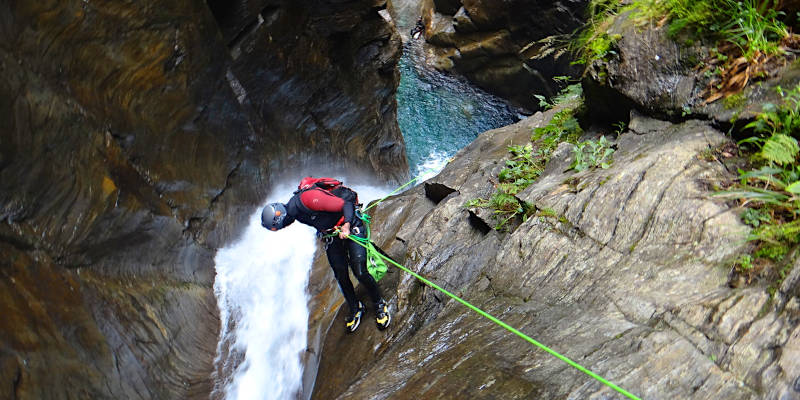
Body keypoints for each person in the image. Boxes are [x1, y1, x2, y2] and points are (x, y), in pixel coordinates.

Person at [261, 177, 391, 333]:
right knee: (340, 274)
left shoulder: (308, 199)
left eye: (278, 227)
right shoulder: (293, 213)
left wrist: (347, 226)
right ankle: (356, 307)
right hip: (331, 234)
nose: (282, 228)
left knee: (360, 270)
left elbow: (346, 205)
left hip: (350, 224)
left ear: (280, 219)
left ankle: (379, 303)